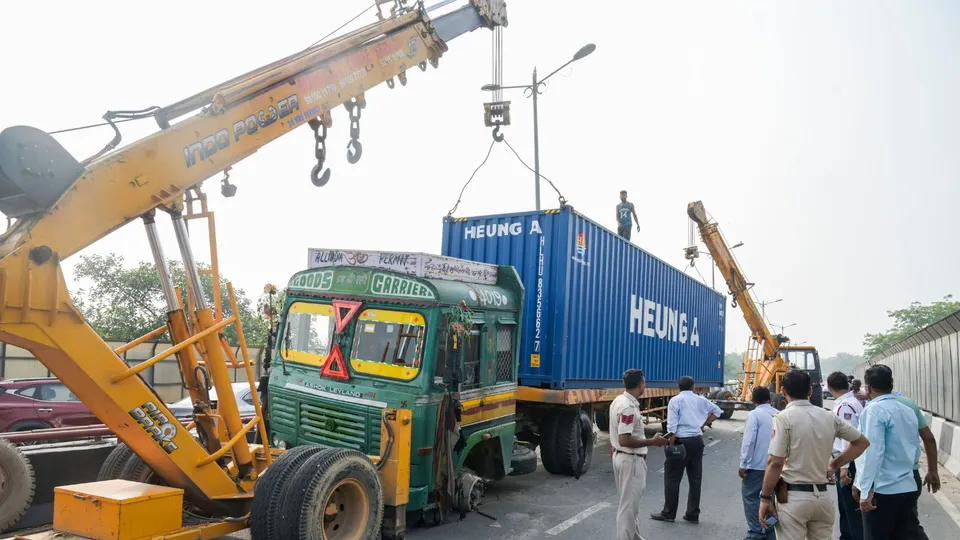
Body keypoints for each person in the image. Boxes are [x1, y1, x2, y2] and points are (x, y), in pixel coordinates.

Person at [758, 369, 870, 540]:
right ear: (810, 391)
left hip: (793, 499)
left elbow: (775, 463)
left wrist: (765, 498)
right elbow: (862, 443)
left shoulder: (782, 418)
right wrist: (834, 465)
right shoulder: (829, 416)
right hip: (822, 498)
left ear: (783, 392)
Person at [853, 364, 929, 540]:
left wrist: (865, 491)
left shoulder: (874, 410)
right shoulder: (908, 410)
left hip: (883, 490)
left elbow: (873, 452)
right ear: (891, 384)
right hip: (908, 486)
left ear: (868, 388)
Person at [651, 376, 721, 524]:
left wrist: (671, 444)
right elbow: (717, 411)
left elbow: (671, 427)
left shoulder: (675, 401)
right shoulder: (701, 400)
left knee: (672, 478)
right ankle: (693, 513)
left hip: (681, 441)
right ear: (693, 386)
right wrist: (703, 424)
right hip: (697, 441)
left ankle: (669, 513)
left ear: (679, 387)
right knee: (695, 479)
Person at [609, 369, 669, 540]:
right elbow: (624, 439)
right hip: (631, 461)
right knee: (628, 509)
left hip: (623, 458)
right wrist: (652, 441)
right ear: (641, 384)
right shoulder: (628, 407)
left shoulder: (619, 400)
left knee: (630, 507)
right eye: (645, 382)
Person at [827, 371, 865, 540]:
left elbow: (847, 438)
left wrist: (844, 467)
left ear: (829, 387)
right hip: (851, 460)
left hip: (848, 461)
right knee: (847, 507)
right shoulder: (853, 401)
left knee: (850, 508)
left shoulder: (844, 406)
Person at [738, 386, 777, 540]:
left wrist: (743, 464)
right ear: (770, 399)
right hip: (776, 466)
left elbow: (748, 441)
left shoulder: (754, 415)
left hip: (756, 466)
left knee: (751, 498)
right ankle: (771, 531)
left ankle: (755, 532)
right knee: (773, 500)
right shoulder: (779, 414)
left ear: (753, 400)